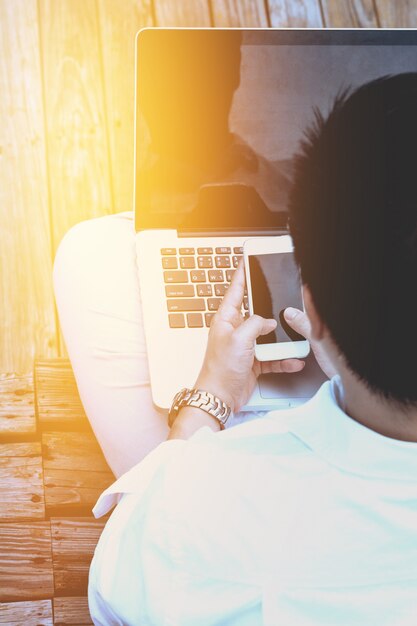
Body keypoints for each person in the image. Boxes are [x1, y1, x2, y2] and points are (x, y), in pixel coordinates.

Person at [53, 74, 417, 625]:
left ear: (310, 309)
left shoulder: (193, 518)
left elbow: (116, 578)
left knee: (90, 251)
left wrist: (210, 399)